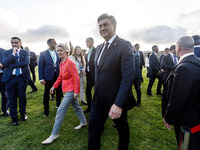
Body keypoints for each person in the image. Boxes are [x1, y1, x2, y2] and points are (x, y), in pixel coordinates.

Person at [88, 13, 135, 150]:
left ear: (114, 26)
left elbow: (128, 76)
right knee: (93, 129)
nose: (102, 28)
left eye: (106, 24)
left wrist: (118, 104)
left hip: (115, 100)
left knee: (122, 129)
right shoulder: (99, 48)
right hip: (98, 98)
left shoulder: (124, 45)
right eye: (100, 26)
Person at [41, 43, 87, 144]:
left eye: (61, 50)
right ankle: (83, 122)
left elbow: (76, 78)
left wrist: (76, 92)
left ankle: (54, 134)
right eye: (58, 50)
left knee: (60, 111)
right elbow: (60, 77)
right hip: (66, 89)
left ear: (66, 51)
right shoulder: (61, 63)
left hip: (71, 91)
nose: (59, 52)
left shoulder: (70, 62)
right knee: (77, 107)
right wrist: (54, 86)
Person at [163, 36, 200, 149]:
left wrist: (168, 118)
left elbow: (177, 98)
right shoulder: (197, 62)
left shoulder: (184, 68)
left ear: (178, 47)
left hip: (187, 121)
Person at [2, 37, 30, 125]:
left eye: (16, 42)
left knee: (22, 97)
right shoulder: (6, 52)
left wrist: (12, 66)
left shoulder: (25, 52)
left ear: (20, 43)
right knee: (11, 98)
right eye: (12, 42)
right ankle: (14, 117)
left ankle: (23, 113)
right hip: (10, 78)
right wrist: (13, 55)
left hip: (22, 77)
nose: (14, 44)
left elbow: (25, 63)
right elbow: (4, 63)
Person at [38, 38, 62, 117]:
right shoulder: (43, 53)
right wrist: (41, 78)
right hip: (48, 76)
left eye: (56, 42)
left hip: (58, 75)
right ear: (49, 44)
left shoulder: (58, 52)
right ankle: (46, 109)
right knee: (47, 93)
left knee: (59, 91)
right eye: (54, 43)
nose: (55, 44)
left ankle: (58, 105)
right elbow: (40, 66)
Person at [84, 37, 96, 113]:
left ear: (92, 42)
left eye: (88, 41)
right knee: (87, 91)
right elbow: (87, 63)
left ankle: (98, 107)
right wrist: (85, 71)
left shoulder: (96, 50)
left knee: (98, 92)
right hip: (89, 76)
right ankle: (90, 107)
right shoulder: (87, 53)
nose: (86, 43)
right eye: (86, 41)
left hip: (96, 75)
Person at [0, 48, 9, 117]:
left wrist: (3, 64)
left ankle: (5, 109)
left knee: (4, 93)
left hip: (2, 75)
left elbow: (8, 62)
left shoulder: (4, 51)